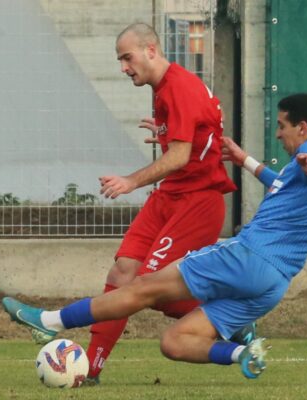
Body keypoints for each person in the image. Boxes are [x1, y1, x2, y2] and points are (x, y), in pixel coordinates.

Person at [3, 93, 307, 380]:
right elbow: (285, 185)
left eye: (282, 127)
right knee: (174, 342)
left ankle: (49, 321)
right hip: (272, 285)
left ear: (303, 127)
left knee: (141, 286)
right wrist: (246, 161)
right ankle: (243, 351)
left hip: (247, 256)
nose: (279, 135)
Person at [83, 23, 238, 383]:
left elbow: (182, 156)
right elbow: (201, 129)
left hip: (197, 200)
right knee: (123, 272)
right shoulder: (163, 87)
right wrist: (165, 133)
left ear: (150, 50)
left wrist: (130, 181)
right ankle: (90, 369)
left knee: (151, 287)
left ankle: (230, 318)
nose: (123, 67)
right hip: (171, 194)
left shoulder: (178, 87)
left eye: (127, 57)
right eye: (120, 60)